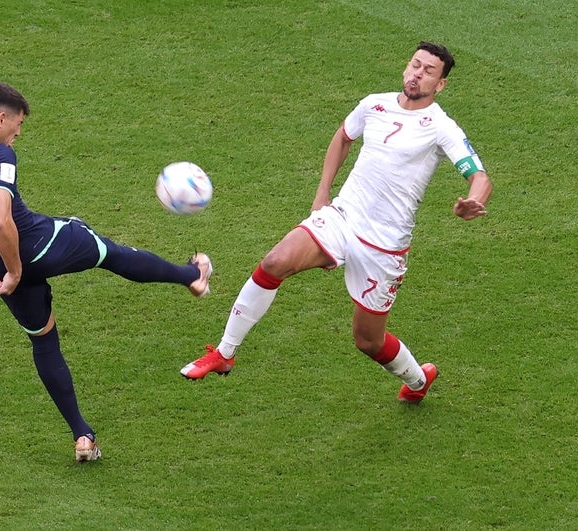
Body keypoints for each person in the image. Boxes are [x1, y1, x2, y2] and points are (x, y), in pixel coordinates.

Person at [0, 81, 212, 462]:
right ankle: (192, 277)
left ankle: (82, 435)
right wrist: (17, 270)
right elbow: (2, 222)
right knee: (108, 251)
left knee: (44, 340)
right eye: (16, 125)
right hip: (36, 247)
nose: (17, 134)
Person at [181, 42, 492, 404]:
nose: (417, 74)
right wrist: (322, 195)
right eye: (415, 65)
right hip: (343, 216)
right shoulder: (374, 104)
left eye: (428, 72)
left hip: (384, 245)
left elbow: (480, 176)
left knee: (368, 340)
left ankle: (418, 380)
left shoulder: (440, 127)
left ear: (440, 85)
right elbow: (343, 137)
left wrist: (474, 201)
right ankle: (225, 353)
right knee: (274, 262)